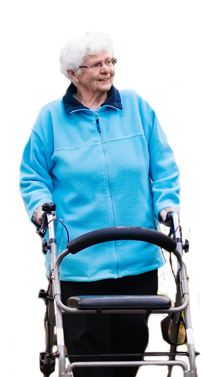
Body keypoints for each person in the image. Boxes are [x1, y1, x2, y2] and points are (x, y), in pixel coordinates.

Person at [19, 31, 181, 377]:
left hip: (139, 258)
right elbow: (32, 175)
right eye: (96, 65)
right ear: (73, 74)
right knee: (90, 361)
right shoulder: (51, 119)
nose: (106, 70)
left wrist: (167, 205)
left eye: (110, 62)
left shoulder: (138, 108)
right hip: (80, 259)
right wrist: (41, 208)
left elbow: (164, 167)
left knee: (128, 352)